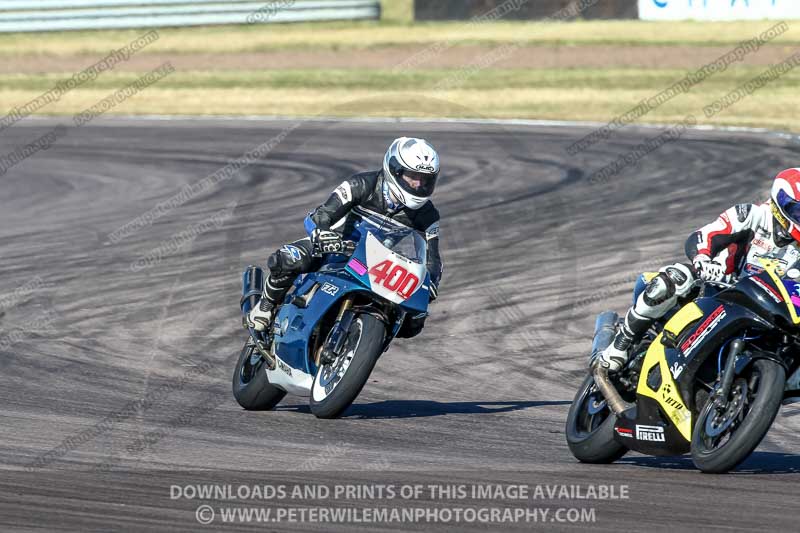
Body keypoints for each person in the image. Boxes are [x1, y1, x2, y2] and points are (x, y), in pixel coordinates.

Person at [598, 168, 800, 372]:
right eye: (798, 211)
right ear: (780, 202)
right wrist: (703, 259)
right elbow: (706, 235)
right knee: (673, 280)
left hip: (770, 310)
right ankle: (621, 344)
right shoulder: (752, 215)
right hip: (721, 288)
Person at [246, 137, 443, 338]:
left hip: (377, 266)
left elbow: (433, 257)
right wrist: (322, 233)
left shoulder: (428, 215)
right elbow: (321, 215)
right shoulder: (361, 184)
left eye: (425, 179)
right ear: (395, 170)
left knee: (413, 322)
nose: (419, 184)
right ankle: (265, 306)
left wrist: (431, 282)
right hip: (335, 248)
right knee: (289, 258)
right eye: (413, 176)